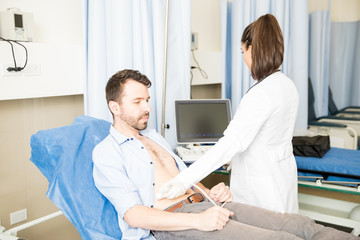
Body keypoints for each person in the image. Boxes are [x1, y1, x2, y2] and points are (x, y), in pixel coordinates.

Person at [92, 69, 358, 240]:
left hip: (208, 205)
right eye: (137, 102)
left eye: (147, 100)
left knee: (297, 224)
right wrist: (198, 220)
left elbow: (182, 179)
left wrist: (212, 191)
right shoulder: (106, 153)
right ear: (114, 107)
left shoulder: (153, 137)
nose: (147, 107)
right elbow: (134, 215)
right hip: (174, 224)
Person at [157, 14, 299, 214]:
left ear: (253, 49)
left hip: (261, 189)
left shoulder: (261, 94)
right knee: (286, 230)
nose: (243, 58)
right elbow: (269, 135)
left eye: (243, 51)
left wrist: (184, 180)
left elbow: (230, 142)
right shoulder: (287, 85)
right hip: (281, 179)